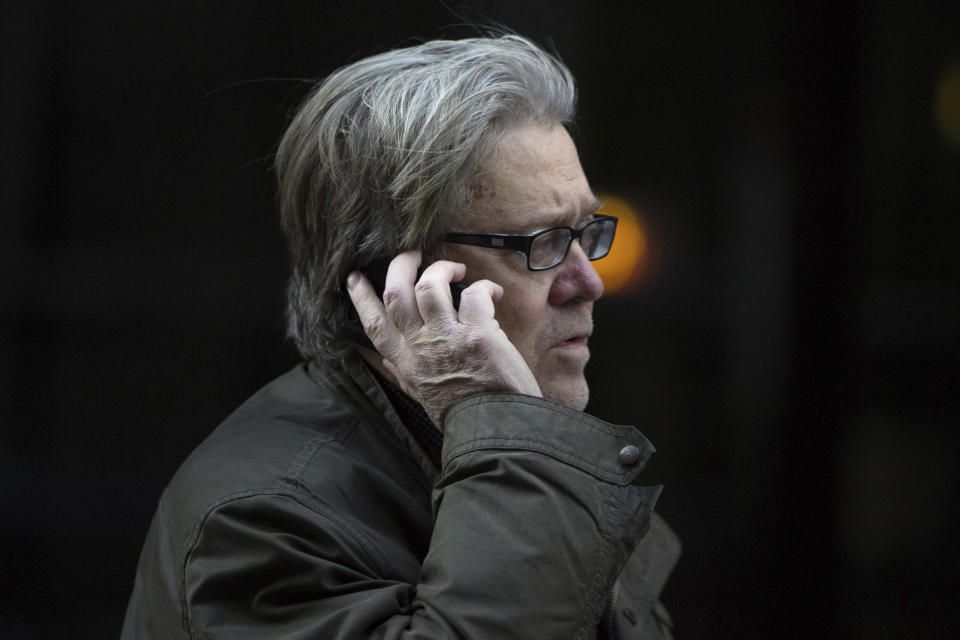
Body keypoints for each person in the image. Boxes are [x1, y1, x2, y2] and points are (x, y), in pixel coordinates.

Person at [121, 34, 680, 639]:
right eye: (542, 243)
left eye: (585, 232)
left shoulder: (515, 455)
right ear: (405, 281)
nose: (587, 281)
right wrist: (511, 436)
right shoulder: (261, 520)